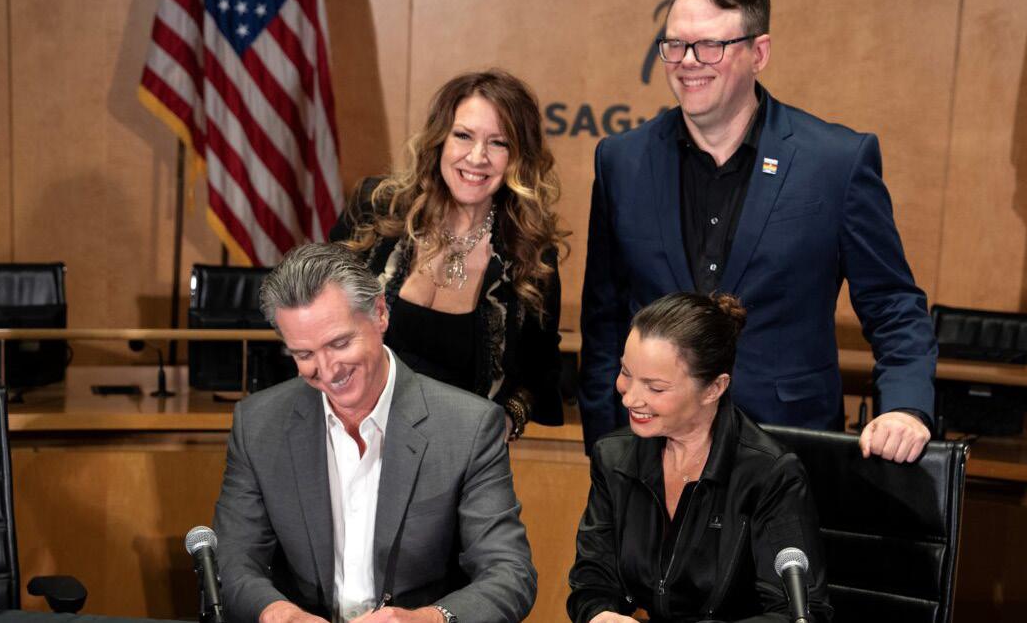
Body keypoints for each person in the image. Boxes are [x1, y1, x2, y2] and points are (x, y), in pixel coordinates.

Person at [579, 0, 937, 462]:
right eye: (675, 45)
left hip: (787, 451)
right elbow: (603, 320)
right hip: (650, 459)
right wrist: (604, 446)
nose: (688, 61)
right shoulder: (621, 160)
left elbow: (892, 303)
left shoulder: (834, 162)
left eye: (710, 46)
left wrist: (906, 407)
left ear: (759, 53)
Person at [213, 243, 536, 623]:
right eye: (304, 355)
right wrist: (279, 614)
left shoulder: (468, 426)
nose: (327, 370)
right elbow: (233, 560)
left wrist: (428, 619)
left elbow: (509, 573)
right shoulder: (257, 424)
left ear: (380, 313)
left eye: (339, 343)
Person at [331, 69, 567, 441]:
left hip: (459, 458)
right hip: (352, 443)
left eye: (498, 143)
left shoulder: (530, 256)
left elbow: (540, 373)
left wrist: (509, 420)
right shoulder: (375, 211)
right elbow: (311, 311)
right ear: (439, 139)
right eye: (463, 136)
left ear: (518, 157)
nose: (477, 157)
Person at [568, 292, 831, 623]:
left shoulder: (771, 473)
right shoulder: (613, 457)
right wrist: (600, 614)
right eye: (626, 372)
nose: (629, 398)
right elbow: (592, 579)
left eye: (655, 388)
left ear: (714, 389)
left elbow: (799, 612)